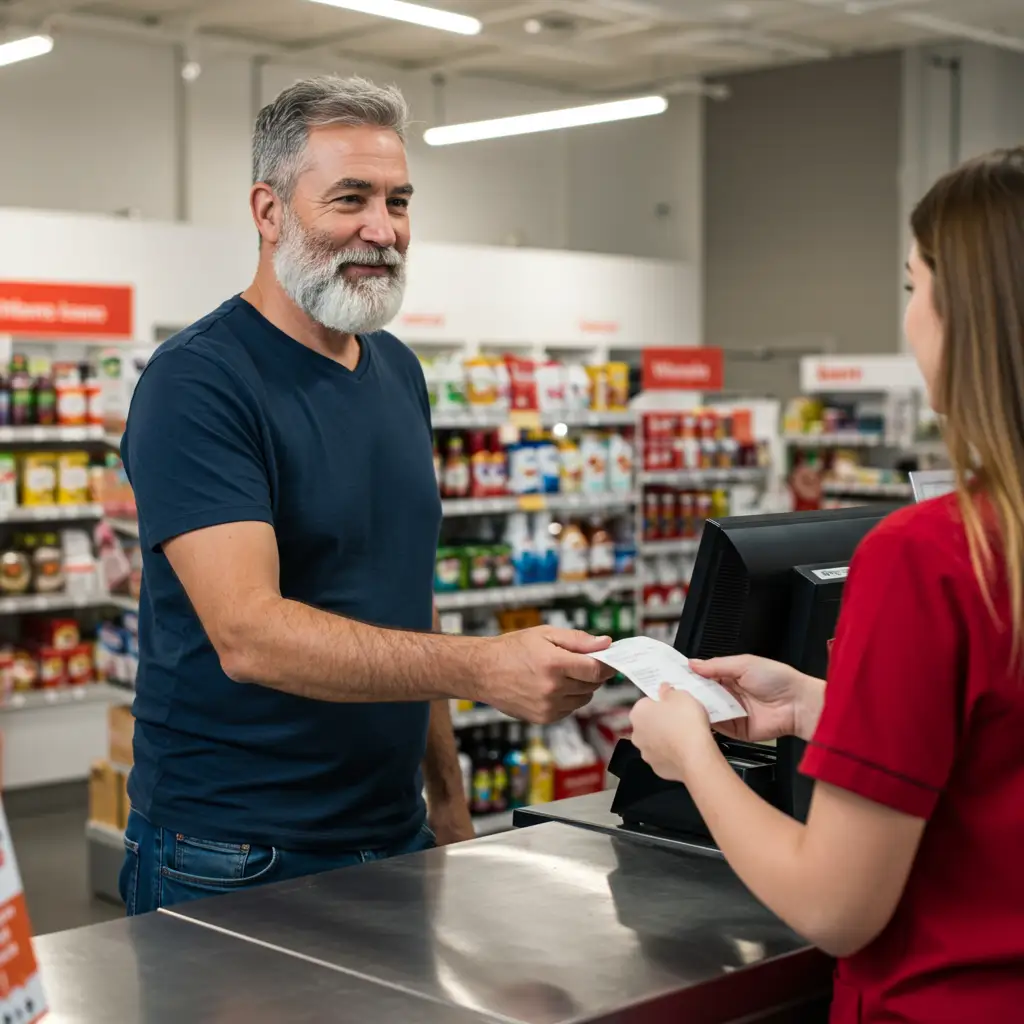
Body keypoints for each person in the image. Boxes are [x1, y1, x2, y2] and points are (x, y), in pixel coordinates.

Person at [118, 75, 613, 916]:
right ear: (268, 210)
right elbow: (249, 636)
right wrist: (484, 667)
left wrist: (449, 806)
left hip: (395, 833)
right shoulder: (199, 381)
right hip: (233, 851)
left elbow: (402, 609)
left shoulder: (398, 372)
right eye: (350, 198)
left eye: (399, 200)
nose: (383, 231)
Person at [630, 147, 1024, 1023]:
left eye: (913, 286)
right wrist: (827, 707)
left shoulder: (928, 555)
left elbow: (835, 908)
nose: (911, 318)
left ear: (973, 315)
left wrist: (692, 753)